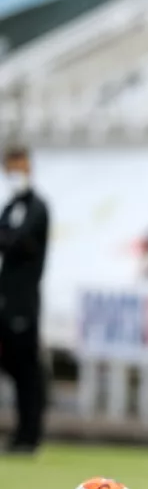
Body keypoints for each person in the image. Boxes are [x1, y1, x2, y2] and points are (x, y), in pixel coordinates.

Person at [0, 145, 49, 455]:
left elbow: (17, 241)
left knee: (27, 369)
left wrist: (11, 239)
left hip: (24, 300)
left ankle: (30, 435)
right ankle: (21, 433)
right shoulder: (12, 205)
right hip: (6, 298)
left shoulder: (37, 205)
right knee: (14, 366)